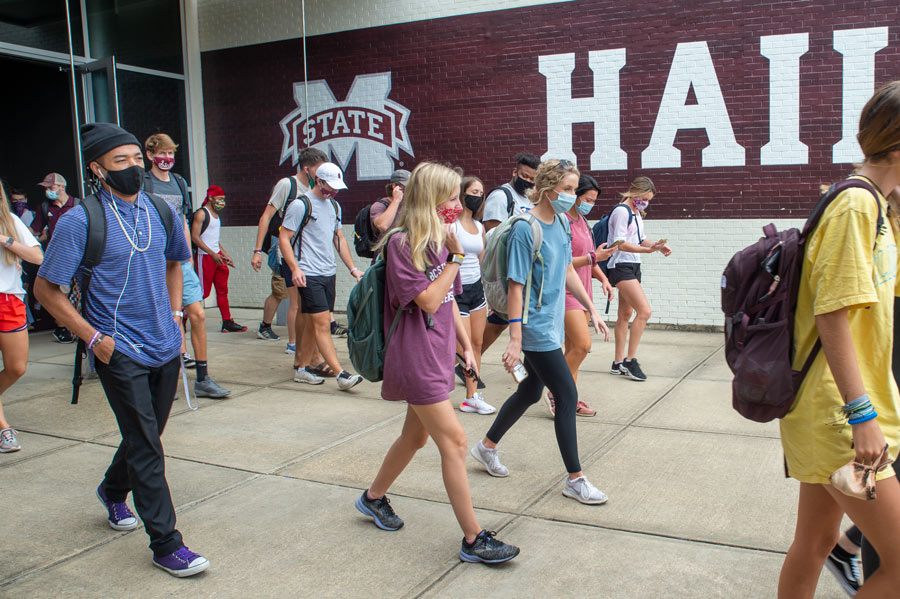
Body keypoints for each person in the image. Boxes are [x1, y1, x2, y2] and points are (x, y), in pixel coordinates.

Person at [34, 122, 209, 576]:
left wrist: (175, 317)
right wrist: (93, 337)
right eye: (120, 161)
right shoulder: (79, 220)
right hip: (118, 347)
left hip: (165, 343)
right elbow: (46, 289)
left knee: (145, 436)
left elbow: (176, 263)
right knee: (147, 444)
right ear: (97, 168)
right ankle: (167, 543)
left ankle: (113, 492)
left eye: (136, 158)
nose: (133, 167)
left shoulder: (161, 210)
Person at [355, 161, 519, 564]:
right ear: (430, 199)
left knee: (415, 437)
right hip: (415, 357)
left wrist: (467, 349)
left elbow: (449, 305)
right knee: (456, 441)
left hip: (439, 352)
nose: (456, 204)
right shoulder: (402, 244)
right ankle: (473, 539)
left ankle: (372, 498)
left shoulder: (443, 240)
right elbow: (426, 299)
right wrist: (454, 257)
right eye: (449, 197)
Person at [776, 80, 900, 599]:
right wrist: (862, 416)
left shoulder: (878, 206)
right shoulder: (856, 206)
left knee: (818, 539)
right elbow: (832, 317)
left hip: (834, 407)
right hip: (839, 412)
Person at [471, 159, 611, 506]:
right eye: (566, 189)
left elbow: (565, 270)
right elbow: (516, 285)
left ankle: (486, 447)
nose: (572, 196)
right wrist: (515, 339)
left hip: (550, 321)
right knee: (564, 394)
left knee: (531, 391)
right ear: (546, 188)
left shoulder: (562, 223)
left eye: (573, 190)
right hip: (532, 326)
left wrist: (591, 308)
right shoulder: (525, 228)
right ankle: (575, 479)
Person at [143, 133, 229, 399]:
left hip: (179, 261)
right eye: (162, 153)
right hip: (154, 262)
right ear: (149, 155)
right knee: (169, 317)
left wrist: (187, 254)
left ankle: (202, 378)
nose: (167, 158)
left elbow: (181, 219)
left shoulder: (179, 182)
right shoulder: (143, 183)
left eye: (171, 153)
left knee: (198, 314)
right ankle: (170, 376)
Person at [280, 162, 364, 390]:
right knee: (323, 324)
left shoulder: (334, 206)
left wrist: (352, 268)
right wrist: (295, 268)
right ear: (318, 181)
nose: (334, 192)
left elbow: (339, 238)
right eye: (330, 186)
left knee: (309, 323)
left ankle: (301, 369)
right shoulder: (301, 205)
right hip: (309, 274)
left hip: (328, 273)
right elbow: (284, 239)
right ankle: (341, 374)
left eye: (337, 187)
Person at [545, 174, 617, 417]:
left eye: (594, 201)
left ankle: (569, 398)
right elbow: (562, 262)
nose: (590, 204)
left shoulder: (584, 222)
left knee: (573, 348)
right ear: (575, 195)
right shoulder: (562, 220)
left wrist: (604, 279)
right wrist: (592, 259)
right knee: (584, 346)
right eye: (587, 199)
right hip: (566, 292)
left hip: (583, 291)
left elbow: (591, 258)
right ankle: (556, 391)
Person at [251, 147, 326, 354]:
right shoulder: (287, 185)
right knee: (294, 299)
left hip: (305, 249)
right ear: (306, 168)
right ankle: (293, 343)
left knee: (304, 300)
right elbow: (266, 216)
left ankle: (300, 342)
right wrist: (257, 250)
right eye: (318, 169)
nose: (321, 174)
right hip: (285, 246)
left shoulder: (315, 188)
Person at [606, 176, 671, 382]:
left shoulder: (636, 213)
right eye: (643, 198)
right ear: (634, 192)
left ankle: (617, 363)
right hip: (620, 265)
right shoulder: (621, 211)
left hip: (634, 265)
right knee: (644, 311)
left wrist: (656, 246)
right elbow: (620, 243)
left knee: (625, 313)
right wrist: (646, 249)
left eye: (648, 199)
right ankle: (630, 360)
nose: (645, 202)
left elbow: (641, 239)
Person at [480, 152, 540, 357]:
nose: (529, 181)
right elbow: (492, 235)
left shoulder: (530, 199)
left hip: (523, 267)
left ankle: (469, 361)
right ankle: (468, 361)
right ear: (514, 172)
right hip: (506, 268)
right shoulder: (501, 196)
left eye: (533, 179)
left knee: (504, 321)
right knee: (504, 319)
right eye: (525, 176)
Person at [0, 184, 43, 452]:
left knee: (17, 368)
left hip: (9, 300)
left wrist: (5, 240)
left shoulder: (11, 221)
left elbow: (38, 257)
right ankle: (4, 428)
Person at [450, 175, 493, 414]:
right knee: (461, 348)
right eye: (473, 192)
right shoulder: (451, 225)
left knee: (476, 343)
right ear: (462, 193)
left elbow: (481, 260)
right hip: (456, 291)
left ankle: (471, 396)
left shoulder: (479, 226)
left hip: (476, 290)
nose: (477, 196)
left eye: (480, 192)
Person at [32, 172, 79, 343]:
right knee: (60, 293)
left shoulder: (78, 205)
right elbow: (35, 231)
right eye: (46, 188)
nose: (48, 191)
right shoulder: (45, 208)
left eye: (51, 187)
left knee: (83, 292)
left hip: (80, 256)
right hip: (59, 259)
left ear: (62, 187)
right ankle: (63, 329)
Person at [191, 185, 245, 333]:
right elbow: (195, 237)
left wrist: (224, 254)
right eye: (220, 199)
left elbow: (214, 239)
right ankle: (181, 318)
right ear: (211, 198)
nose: (222, 202)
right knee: (202, 291)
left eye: (223, 199)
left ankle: (227, 322)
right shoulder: (202, 214)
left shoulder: (216, 216)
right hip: (205, 257)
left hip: (217, 256)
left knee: (222, 290)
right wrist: (212, 254)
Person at [369, 168, 411, 238]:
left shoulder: (409, 204)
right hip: (387, 247)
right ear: (395, 186)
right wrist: (396, 200)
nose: (409, 189)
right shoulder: (379, 206)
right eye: (406, 186)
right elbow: (382, 226)